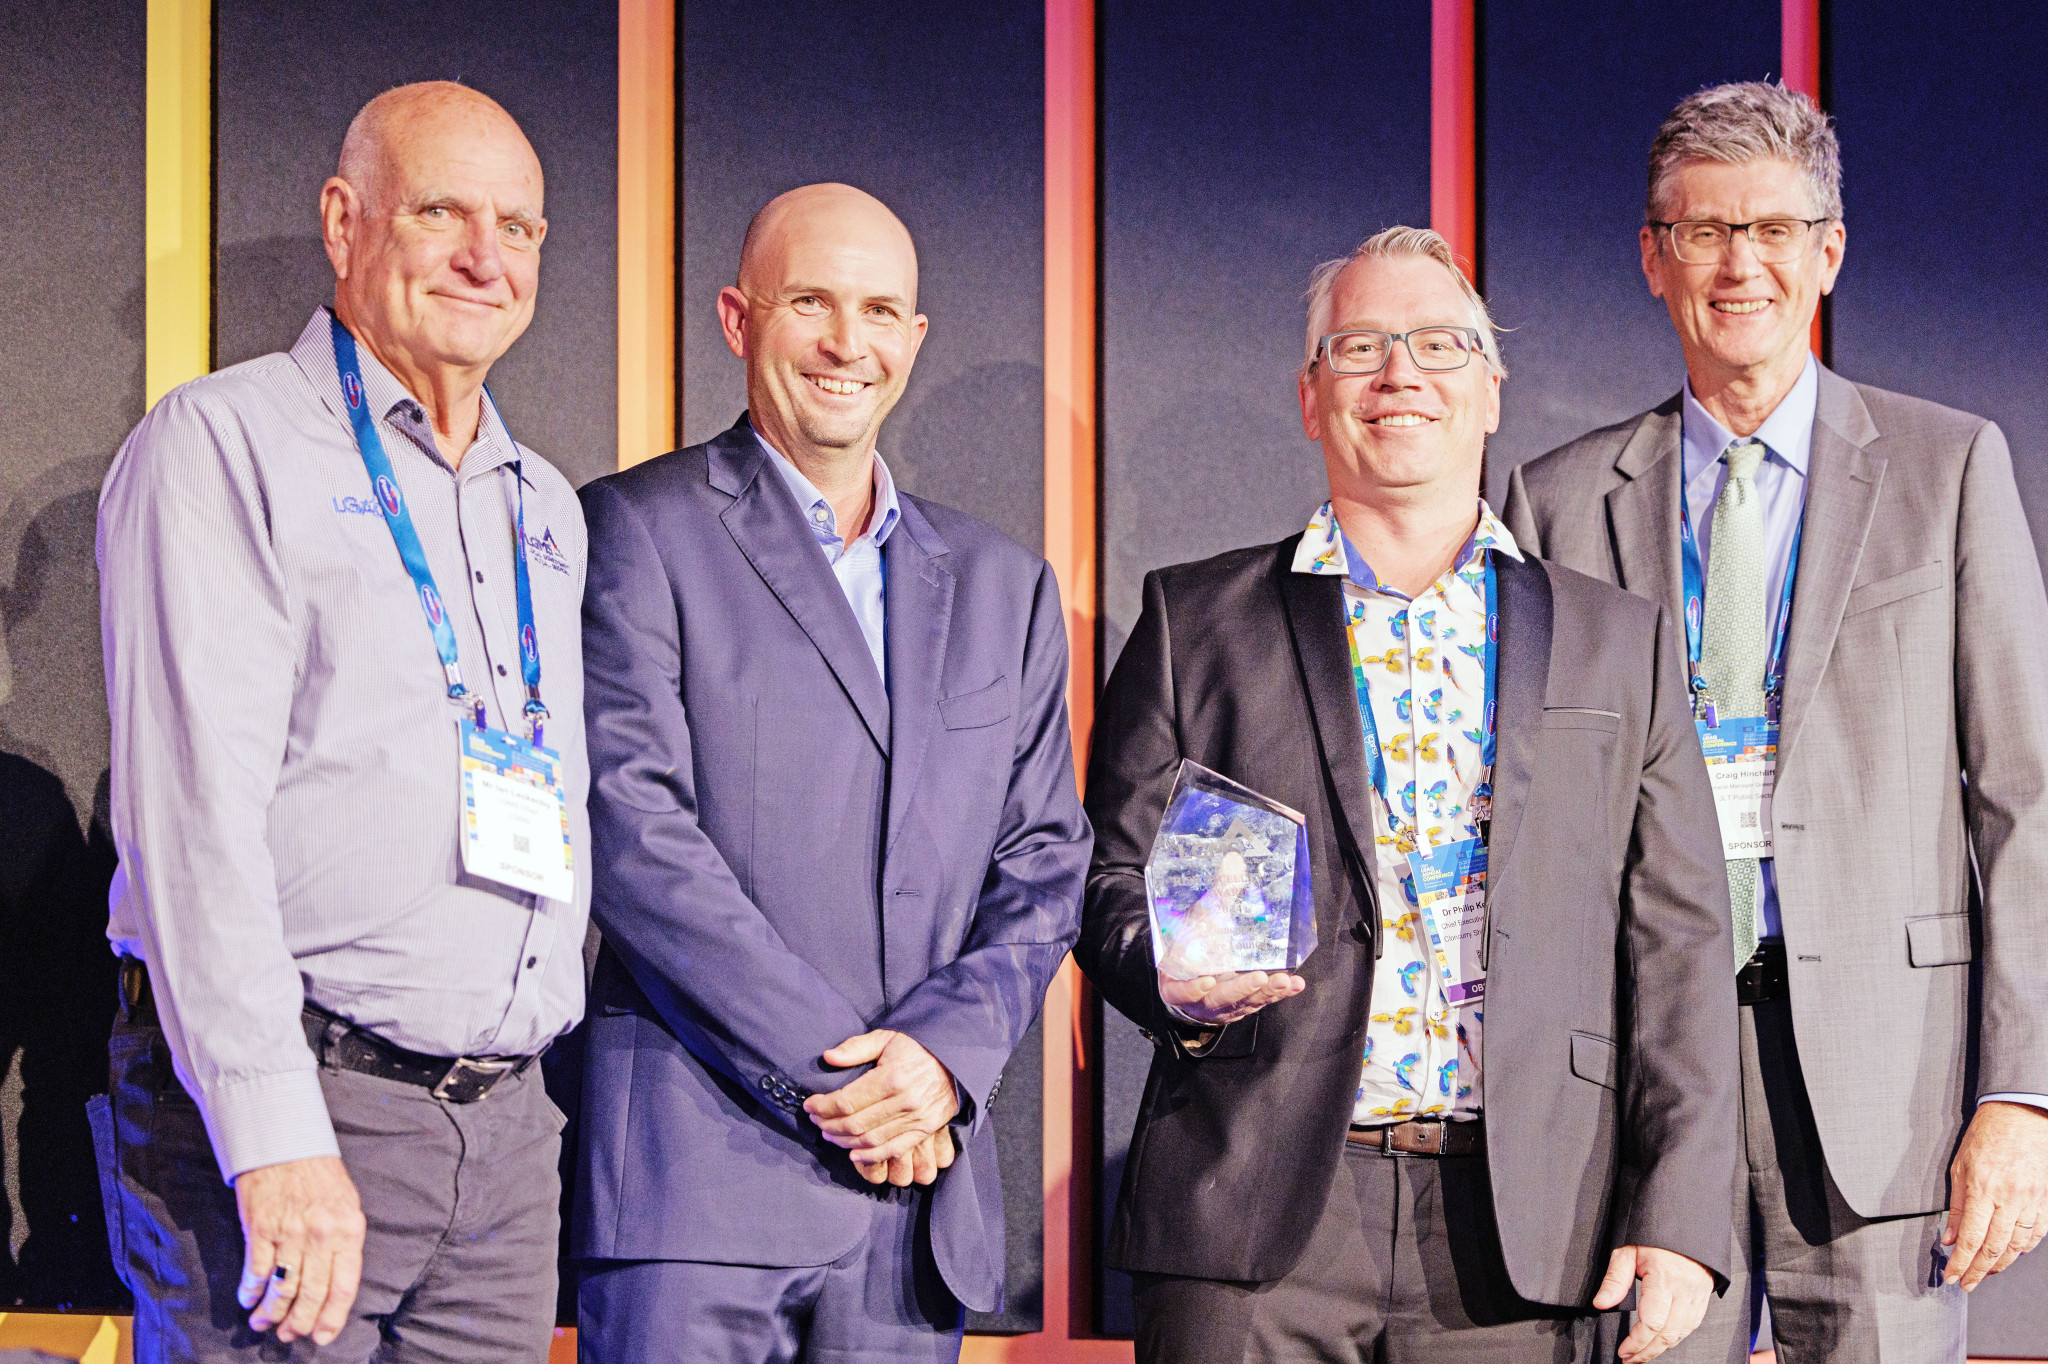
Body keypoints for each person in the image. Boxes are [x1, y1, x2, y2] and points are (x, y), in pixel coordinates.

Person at [1076, 225, 1739, 1364]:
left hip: (1526, 1221)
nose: (1400, 375)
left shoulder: (1614, 642)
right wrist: (1168, 972)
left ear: (1488, 391)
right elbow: (1101, 880)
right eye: (1361, 346)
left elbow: (1679, 941)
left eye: (1438, 344)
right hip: (1255, 1207)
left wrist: (1678, 1211)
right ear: (1308, 395)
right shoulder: (1196, 621)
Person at [1502, 80, 2048, 1361]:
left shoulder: (1946, 467)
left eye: (1770, 230)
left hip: (1888, 1085)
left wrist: (2020, 1091)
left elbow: (2023, 793)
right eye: (1701, 231)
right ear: (1652, 257)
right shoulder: (1557, 500)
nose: (1738, 263)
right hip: (1643, 1083)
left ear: (1826, 251)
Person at [94, 82, 587, 1360]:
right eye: (444, 212)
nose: (488, 255)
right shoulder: (224, 444)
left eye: (521, 227)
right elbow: (192, 829)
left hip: (506, 1141)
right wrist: (275, 1139)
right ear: (344, 220)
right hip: (301, 1113)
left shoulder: (544, 505)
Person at [572, 182, 1090, 1363]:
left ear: (913, 338)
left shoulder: (1003, 585)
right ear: (736, 316)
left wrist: (941, 1059)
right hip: (696, 1189)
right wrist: (851, 1087)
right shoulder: (636, 531)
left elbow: (1044, 862)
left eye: (877, 309)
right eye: (810, 300)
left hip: (911, 1209)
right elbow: (634, 837)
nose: (846, 342)